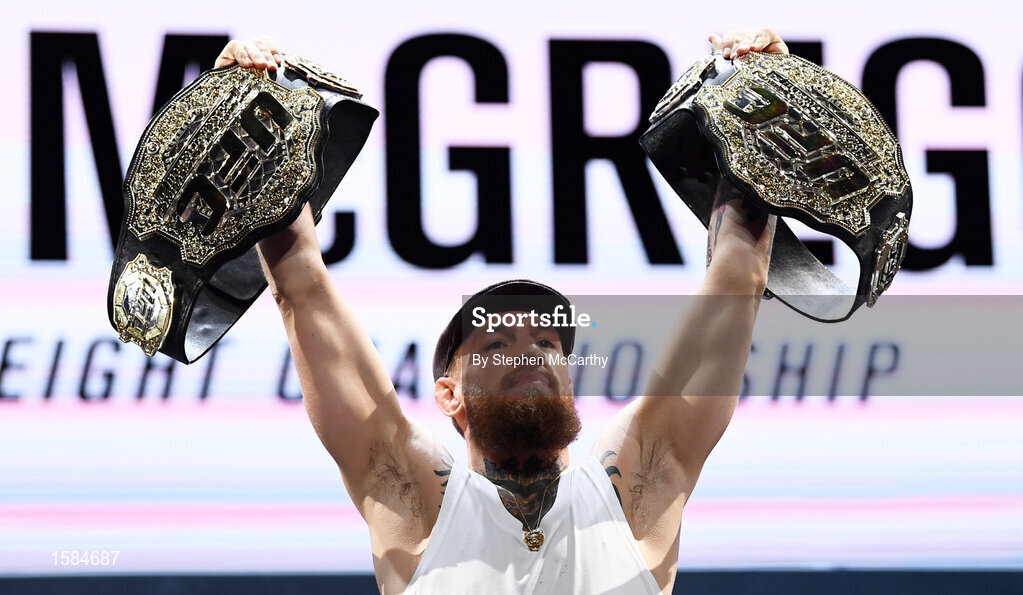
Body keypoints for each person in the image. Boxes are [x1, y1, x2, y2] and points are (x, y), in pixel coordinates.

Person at [217, 28, 786, 595]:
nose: (528, 352)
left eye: (545, 343)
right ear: (449, 394)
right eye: (494, 345)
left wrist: (764, 100)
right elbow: (302, 286)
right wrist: (252, 114)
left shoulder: (636, 487)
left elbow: (739, 276)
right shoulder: (414, 500)